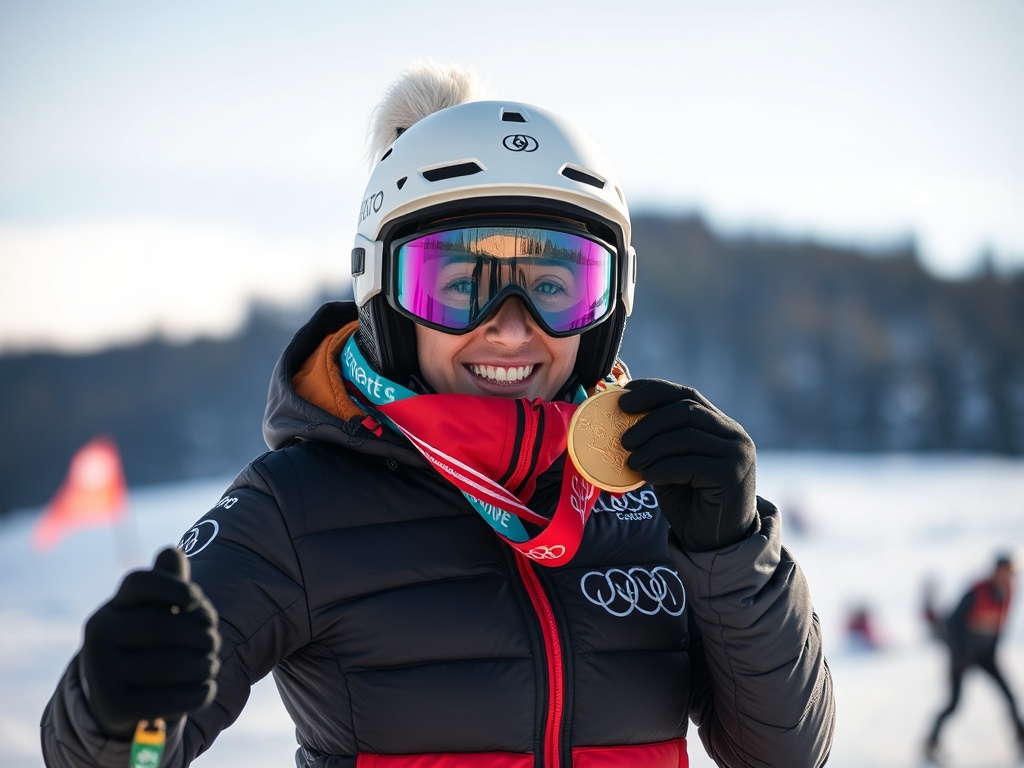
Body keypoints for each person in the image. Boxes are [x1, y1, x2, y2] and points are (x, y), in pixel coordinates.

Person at [41, 60, 835, 768]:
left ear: (608, 304)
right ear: (385, 294)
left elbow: (785, 754)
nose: (512, 329)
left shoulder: (651, 490)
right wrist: (113, 710)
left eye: (553, 287)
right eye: (460, 286)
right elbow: (125, 757)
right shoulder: (297, 507)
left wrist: (732, 549)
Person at [924, 554, 1023, 762]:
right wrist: (959, 655)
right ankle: (931, 744)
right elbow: (952, 623)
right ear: (995, 571)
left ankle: (1021, 742)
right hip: (962, 657)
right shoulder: (977, 591)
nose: (1007, 577)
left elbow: (999, 627)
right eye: (1004, 572)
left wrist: (993, 651)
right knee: (953, 704)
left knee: (1010, 698)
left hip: (986, 656)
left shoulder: (1007, 593)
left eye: (1010, 574)